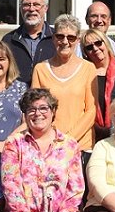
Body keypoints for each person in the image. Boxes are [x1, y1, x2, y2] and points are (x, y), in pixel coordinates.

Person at [30, 14, 97, 150]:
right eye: (60, 36)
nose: (65, 41)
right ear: (54, 39)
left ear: (78, 40)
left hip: (80, 146)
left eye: (71, 37)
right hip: (48, 145)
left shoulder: (88, 68)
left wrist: (67, 140)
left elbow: (91, 110)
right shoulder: (40, 69)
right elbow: (34, 109)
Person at [1, 0, 57, 82]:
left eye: (36, 4)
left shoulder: (58, 39)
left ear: (46, 8)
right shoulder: (8, 41)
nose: (31, 9)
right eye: (26, 4)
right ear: (20, 8)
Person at [81, 27, 115, 145]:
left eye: (98, 43)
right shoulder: (83, 74)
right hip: (92, 134)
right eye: (89, 47)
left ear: (106, 43)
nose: (95, 48)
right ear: (85, 52)